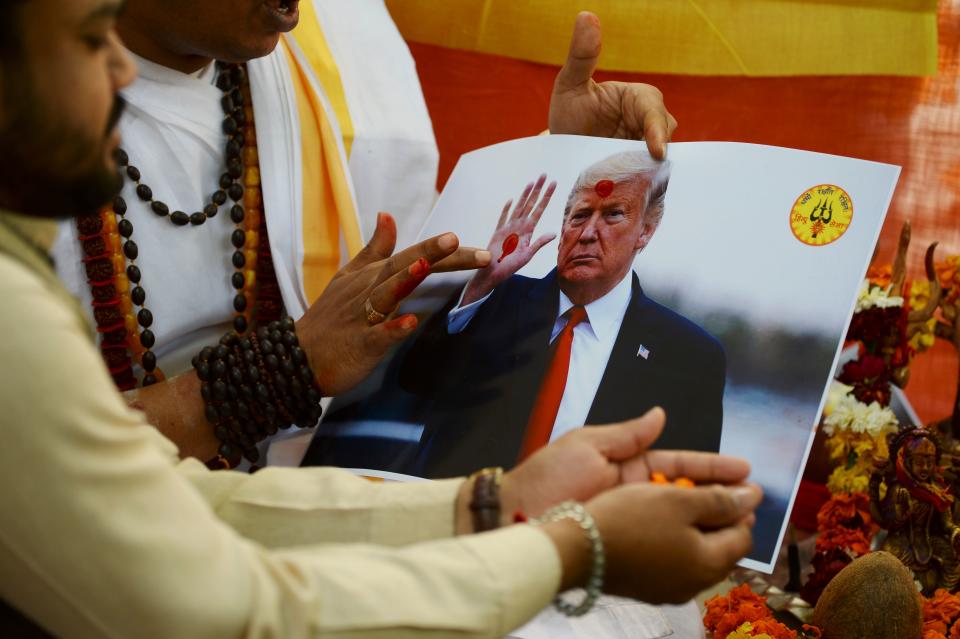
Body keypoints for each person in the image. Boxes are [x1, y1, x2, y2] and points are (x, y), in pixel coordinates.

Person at [0, 0, 763, 635]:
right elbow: (233, 609)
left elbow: (188, 501)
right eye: (89, 35)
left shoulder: (348, 44)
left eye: (611, 212)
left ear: (648, 228)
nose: (121, 73)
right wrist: (567, 547)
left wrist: (495, 506)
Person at [48, 0, 681, 467]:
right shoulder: (31, 103)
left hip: (330, 499)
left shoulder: (344, 38)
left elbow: (416, 307)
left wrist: (566, 158)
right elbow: (28, 457)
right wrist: (288, 369)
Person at [396, 151, 726, 478]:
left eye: (612, 215)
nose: (587, 233)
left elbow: (686, 490)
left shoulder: (691, 356)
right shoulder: (491, 299)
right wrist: (480, 286)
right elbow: (413, 382)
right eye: (580, 216)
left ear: (646, 231)